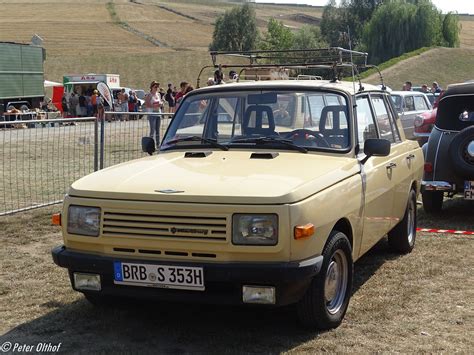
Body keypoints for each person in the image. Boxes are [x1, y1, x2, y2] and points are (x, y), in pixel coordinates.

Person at [145, 81, 163, 148]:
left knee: (158, 130)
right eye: (155, 87)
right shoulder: (149, 95)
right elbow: (146, 104)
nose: (156, 88)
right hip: (152, 114)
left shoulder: (158, 94)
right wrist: (154, 105)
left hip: (158, 113)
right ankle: (150, 145)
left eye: (157, 87)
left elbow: (160, 101)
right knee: (152, 130)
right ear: (152, 87)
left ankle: (158, 144)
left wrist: (161, 104)